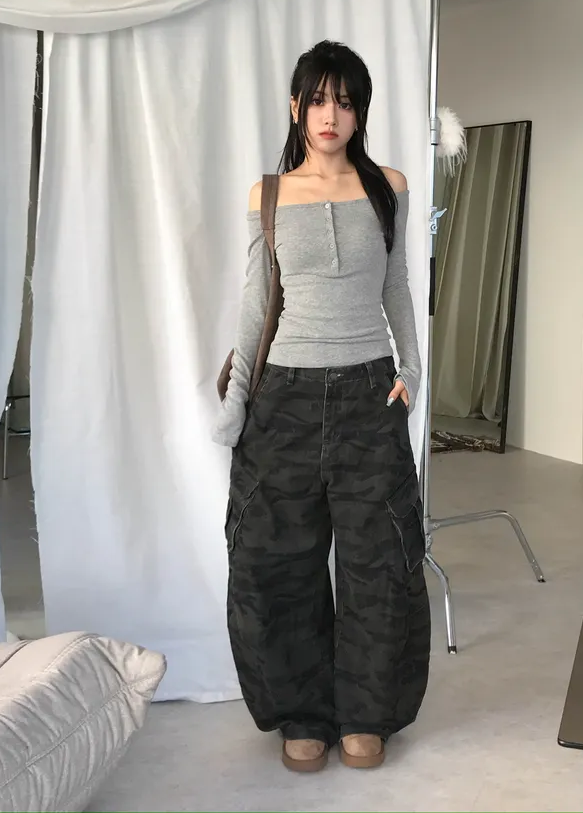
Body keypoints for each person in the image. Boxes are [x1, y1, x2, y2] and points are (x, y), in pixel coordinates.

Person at [214, 40, 430, 773]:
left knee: (380, 559)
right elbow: (255, 306)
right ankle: (303, 714)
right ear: (296, 107)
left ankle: (367, 713)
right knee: (277, 560)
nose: (329, 114)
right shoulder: (268, 194)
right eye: (317, 99)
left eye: (344, 101)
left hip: (370, 392)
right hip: (284, 399)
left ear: (360, 111)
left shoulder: (389, 186)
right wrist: (237, 401)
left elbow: (397, 285)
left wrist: (411, 368)